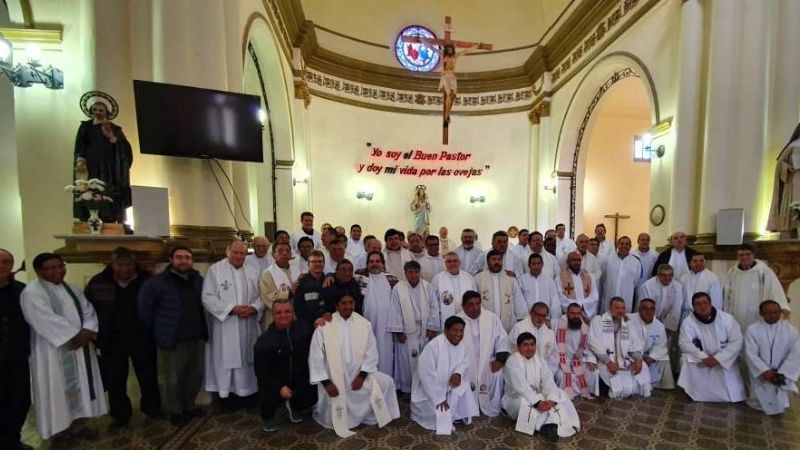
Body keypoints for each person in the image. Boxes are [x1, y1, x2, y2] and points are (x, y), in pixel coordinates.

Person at [21, 253, 107, 438]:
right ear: (38, 271)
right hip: (52, 350)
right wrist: (75, 335)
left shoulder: (72, 288)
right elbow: (44, 319)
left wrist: (88, 331)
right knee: (57, 388)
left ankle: (80, 424)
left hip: (80, 346)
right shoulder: (32, 292)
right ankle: (59, 431)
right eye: (51, 268)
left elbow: (88, 310)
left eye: (61, 266)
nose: (58, 271)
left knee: (83, 386)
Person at [84, 247, 160, 429]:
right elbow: (88, 311)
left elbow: (160, 306)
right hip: (112, 339)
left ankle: (152, 409)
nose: (124, 269)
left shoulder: (148, 281)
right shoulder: (98, 282)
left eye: (128, 265)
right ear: (112, 264)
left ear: (135, 264)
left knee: (148, 376)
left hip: (143, 337)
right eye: (120, 265)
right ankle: (120, 414)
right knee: (115, 379)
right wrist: (94, 337)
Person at [308, 294, 400, 437]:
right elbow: (315, 357)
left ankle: (374, 416)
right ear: (336, 306)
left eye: (351, 302)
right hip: (335, 378)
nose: (348, 306)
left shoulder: (364, 324)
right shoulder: (324, 326)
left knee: (387, 381)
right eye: (343, 303)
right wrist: (326, 383)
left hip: (359, 374)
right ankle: (341, 418)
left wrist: (362, 376)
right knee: (335, 402)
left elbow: (371, 352)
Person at [138, 246, 207, 426]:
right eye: (179, 257)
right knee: (172, 378)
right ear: (171, 260)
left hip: (196, 335)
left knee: (195, 374)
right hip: (172, 339)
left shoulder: (198, 280)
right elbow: (145, 310)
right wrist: (162, 328)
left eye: (187, 257)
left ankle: (189, 406)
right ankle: (174, 411)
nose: (184, 261)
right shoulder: (157, 283)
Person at [202, 240, 262, 409]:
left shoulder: (252, 270)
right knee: (226, 359)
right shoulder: (215, 270)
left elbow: (260, 295)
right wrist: (231, 309)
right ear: (227, 252)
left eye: (242, 253)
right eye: (235, 252)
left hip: (248, 323)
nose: (238, 256)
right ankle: (226, 397)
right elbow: (207, 297)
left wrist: (254, 308)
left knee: (247, 358)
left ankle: (248, 394)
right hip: (225, 325)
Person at [502, 332, 580, 442]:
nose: (529, 348)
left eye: (532, 344)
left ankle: (570, 422)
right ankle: (543, 428)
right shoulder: (512, 361)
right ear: (518, 347)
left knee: (560, 393)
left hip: (538, 395)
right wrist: (538, 402)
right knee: (524, 403)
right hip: (516, 398)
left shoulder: (539, 358)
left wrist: (551, 398)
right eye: (525, 345)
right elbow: (521, 387)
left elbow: (548, 379)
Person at [254, 299, 317, 431]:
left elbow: (318, 330)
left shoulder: (304, 329)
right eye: (279, 312)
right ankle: (268, 417)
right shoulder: (264, 341)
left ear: (292, 312)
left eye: (287, 311)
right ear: (273, 314)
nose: (283, 315)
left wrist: (321, 321)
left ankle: (295, 406)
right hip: (276, 382)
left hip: (297, 378)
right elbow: (261, 372)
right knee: (266, 392)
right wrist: (279, 387)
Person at [411, 316, 478, 433]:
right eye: (455, 330)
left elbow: (465, 362)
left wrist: (458, 373)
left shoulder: (462, 346)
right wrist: (438, 398)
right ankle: (450, 412)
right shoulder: (433, 346)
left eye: (461, 331)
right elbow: (426, 375)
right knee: (437, 416)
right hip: (429, 393)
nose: (458, 334)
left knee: (465, 387)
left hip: (449, 387)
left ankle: (457, 414)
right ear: (446, 330)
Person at [678, 292, 745, 402]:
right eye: (698, 304)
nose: (702, 306)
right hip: (702, 360)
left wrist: (718, 358)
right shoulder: (688, 322)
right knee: (685, 359)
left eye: (705, 303)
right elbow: (684, 343)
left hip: (722, 360)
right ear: (693, 307)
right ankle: (694, 392)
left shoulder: (727, 319)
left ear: (710, 303)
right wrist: (703, 357)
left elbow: (736, 341)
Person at [74, 99, 133, 223]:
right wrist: (80, 159)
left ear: (107, 112)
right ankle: (89, 218)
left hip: (108, 168)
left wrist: (112, 138)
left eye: (101, 110)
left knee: (108, 190)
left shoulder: (115, 128)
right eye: (95, 109)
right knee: (89, 189)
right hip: (91, 166)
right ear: (91, 111)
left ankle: (110, 218)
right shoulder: (85, 127)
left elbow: (125, 149)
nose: (98, 112)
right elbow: (80, 146)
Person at [458, 291, 510, 417]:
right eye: (470, 305)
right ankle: (466, 408)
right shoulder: (457, 320)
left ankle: (493, 406)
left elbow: (502, 339)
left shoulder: (491, 318)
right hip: (465, 365)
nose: (475, 308)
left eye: (477, 304)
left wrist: (500, 359)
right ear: (463, 306)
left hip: (487, 362)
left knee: (497, 374)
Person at [388, 260, 437, 393]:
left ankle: (424, 388)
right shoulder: (398, 288)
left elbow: (434, 307)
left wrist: (432, 327)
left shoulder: (428, 287)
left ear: (419, 272)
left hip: (424, 328)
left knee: (425, 359)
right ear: (405, 273)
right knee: (405, 361)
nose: (413, 275)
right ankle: (407, 388)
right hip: (406, 330)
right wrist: (398, 331)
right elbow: (395, 310)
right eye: (410, 272)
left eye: (416, 272)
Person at [744, 300, 800, 415]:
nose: (773, 315)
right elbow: (750, 353)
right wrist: (764, 370)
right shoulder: (753, 329)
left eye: (776, 312)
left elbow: (795, 353)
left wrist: (783, 373)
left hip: (781, 373)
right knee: (759, 400)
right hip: (761, 374)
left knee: (779, 400)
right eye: (769, 313)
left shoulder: (790, 330)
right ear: (761, 313)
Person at [588, 297, 651, 399]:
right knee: (618, 385)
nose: (621, 311)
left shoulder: (627, 323)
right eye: (617, 308)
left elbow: (636, 343)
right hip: (605, 361)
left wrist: (638, 359)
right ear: (610, 308)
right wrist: (609, 362)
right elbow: (593, 343)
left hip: (624, 360)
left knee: (643, 367)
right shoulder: (598, 320)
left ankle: (635, 390)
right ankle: (619, 390)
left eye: (623, 308)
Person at [0, 250, 31, 450]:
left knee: (19, 400)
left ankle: (13, 440)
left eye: (6, 262)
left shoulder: (22, 290)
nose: (2, 266)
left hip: (16, 357)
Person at [724, 243, 790, 331]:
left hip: (756, 315)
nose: (744, 257)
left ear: (753, 255)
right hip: (736, 315)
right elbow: (725, 294)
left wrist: (781, 306)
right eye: (741, 255)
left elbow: (774, 289)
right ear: (737, 257)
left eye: (747, 254)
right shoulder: (732, 273)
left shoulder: (763, 272)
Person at [361, 251, 398, 376]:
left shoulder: (392, 279)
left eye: (378, 261)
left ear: (383, 263)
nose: (375, 264)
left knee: (386, 355)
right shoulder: (360, 278)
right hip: (366, 327)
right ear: (367, 264)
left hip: (387, 328)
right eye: (371, 262)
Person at [474, 250, 527, 332]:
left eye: (499, 259)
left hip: (507, 326)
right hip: (485, 324)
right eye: (493, 259)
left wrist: (522, 318)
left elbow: (518, 300)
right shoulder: (478, 278)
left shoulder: (510, 279)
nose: (497, 262)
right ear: (488, 262)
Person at [628, 299, 674, 390]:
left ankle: (661, 385)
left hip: (648, 356)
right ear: (639, 309)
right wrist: (638, 357)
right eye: (645, 308)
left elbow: (661, 346)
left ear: (654, 310)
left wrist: (650, 358)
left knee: (664, 359)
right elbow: (625, 341)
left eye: (651, 309)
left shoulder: (659, 326)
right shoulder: (629, 319)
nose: (648, 311)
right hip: (630, 354)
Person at [554, 304, 598, 399]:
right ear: (567, 313)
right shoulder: (558, 324)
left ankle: (586, 393)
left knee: (593, 372)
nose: (576, 316)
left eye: (578, 313)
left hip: (578, 360)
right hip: (560, 362)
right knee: (563, 376)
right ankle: (568, 396)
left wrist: (591, 360)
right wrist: (560, 363)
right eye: (573, 313)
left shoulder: (584, 328)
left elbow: (588, 347)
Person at [430, 252, 477, 331]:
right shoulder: (437, 279)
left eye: (455, 261)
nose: (452, 264)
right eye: (449, 261)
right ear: (445, 263)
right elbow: (433, 303)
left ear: (459, 263)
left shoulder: (469, 278)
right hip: (445, 320)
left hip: (467, 319)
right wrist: (433, 324)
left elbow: (475, 299)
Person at [767, 123, 800, 234]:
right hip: (794, 180)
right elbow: (780, 163)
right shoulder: (793, 145)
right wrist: (787, 167)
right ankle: (791, 227)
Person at [259, 242, 301, 328]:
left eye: (287, 251)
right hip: (275, 318)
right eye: (280, 251)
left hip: (295, 315)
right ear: (273, 255)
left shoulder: (296, 270)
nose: (284, 253)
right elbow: (267, 296)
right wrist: (289, 293)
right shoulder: (267, 274)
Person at [508, 302, 558, 373]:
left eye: (543, 316)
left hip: (543, 373)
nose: (540, 319)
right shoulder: (519, 328)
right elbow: (510, 350)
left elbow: (554, 356)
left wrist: (548, 373)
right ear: (531, 312)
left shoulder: (549, 332)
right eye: (538, 315)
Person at [438, 42, 481, 124]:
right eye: (448, 49)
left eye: (451, 48)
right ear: (446, 49)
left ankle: (448, 114)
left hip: (453, 78)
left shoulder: (456, 56)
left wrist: (476, 46)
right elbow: (432, 48)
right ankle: (446, 116)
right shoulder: (443, 55)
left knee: (453, 96)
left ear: (453, 49)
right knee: (448, 94)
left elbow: (466, 51)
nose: (449, 50)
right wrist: (423, 41)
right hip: (445, 77)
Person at [636, 264, 683, 338]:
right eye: (664, 275)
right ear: (658, 275)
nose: (667, 278)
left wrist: (668, 327)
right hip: (648, 320)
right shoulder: (647, 286)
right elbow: (645, 308)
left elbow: (675, 309)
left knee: (665, 344)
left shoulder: (678, 287)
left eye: (670, 275)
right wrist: (654, 326)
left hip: (666, 322)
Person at [599, 236, 642, 313]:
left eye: (627, 244)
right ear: (617, 245)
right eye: (622, 243)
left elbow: (635, 281)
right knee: (607, 320)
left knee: (623, 321)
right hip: (609, 296)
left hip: (626, 298)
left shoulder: (636, 262)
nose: (624, 246)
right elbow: (603, 278)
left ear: (630, 246)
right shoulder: (608, 260)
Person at [679, 253, 723, 320]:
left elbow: (717, 301)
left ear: (705, 263)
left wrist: (712, 317)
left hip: (703, 315)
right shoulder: (684, 278)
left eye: (701, 261)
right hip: (686, 315)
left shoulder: (712, 278)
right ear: (689, 263)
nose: (698, 263)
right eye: (695, 261)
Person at [556, 252, 599, 321]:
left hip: (586, 314)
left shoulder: (588, 276)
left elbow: (594, 296)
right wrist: (576, 308)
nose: (577, 262)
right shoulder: (560, 277)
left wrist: (582, 306)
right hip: (569, 315)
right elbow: (560, 297)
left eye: (579, 260)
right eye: (574, 260)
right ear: (568, 262)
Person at [518, 253, 560, 320]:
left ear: (542, 264)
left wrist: (553, 320)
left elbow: (555, 301)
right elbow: (520, 301)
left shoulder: (549, 281)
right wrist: (524, 318)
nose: (536, 266)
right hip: (527, 319)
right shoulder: (522, 280)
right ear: (529, 265)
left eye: (538, 264)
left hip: (546, 319)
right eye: (533, 264)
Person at [293, 250, 329, 326]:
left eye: (320, 261)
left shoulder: (329, 282)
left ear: (324, 263)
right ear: (308, 264)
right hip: (307, 327)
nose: (317, 264)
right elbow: (299, 308)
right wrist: (315, 320)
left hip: (327, 324)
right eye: (313, 261)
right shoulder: (301, 283)